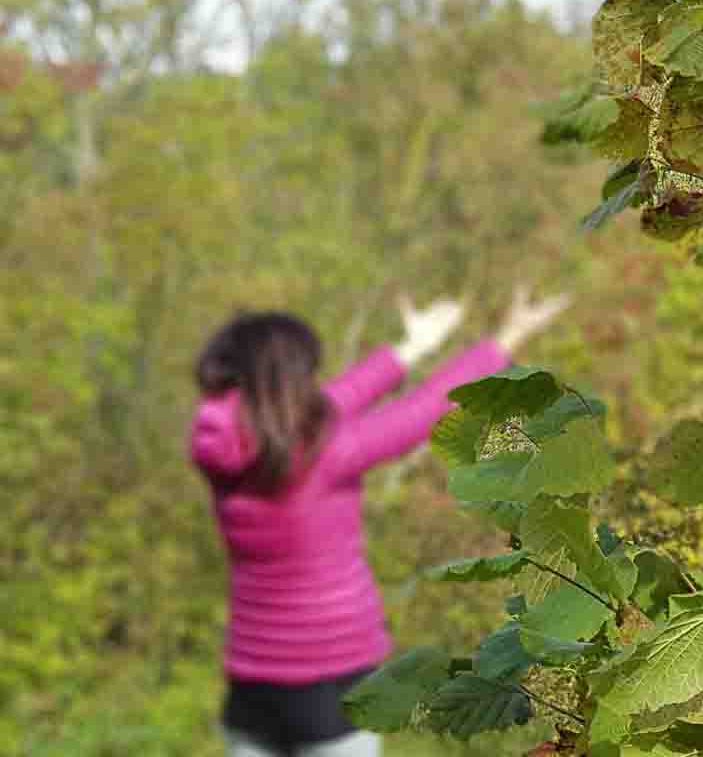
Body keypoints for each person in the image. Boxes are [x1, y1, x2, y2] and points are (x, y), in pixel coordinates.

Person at [189, 288, 570, 757]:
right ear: (288, 383)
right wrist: (505, 340)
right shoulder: (324, 454)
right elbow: (424, 409)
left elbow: (329, 404)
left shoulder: (219, 446)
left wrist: (408, 351)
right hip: (331, 687)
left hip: (250, 692)